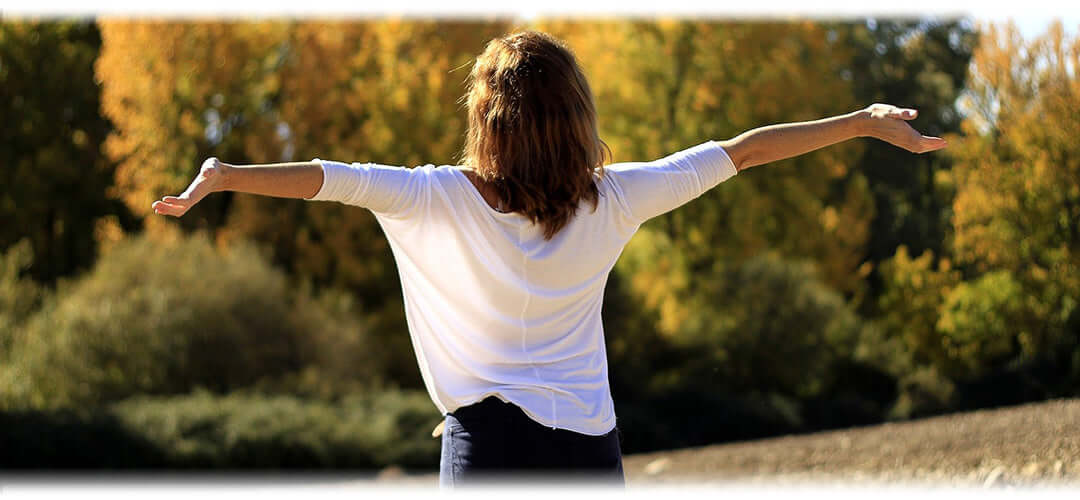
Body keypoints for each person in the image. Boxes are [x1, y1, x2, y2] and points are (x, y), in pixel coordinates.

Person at [152, 30, 947, 488]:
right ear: (576, 119)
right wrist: (860, 121)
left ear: (485, 122)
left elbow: (326, 178)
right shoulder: (618, 197)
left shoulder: (433, 197)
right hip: (586, 450)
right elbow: (740, 152)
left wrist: (224, 179)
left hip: (486, 450)